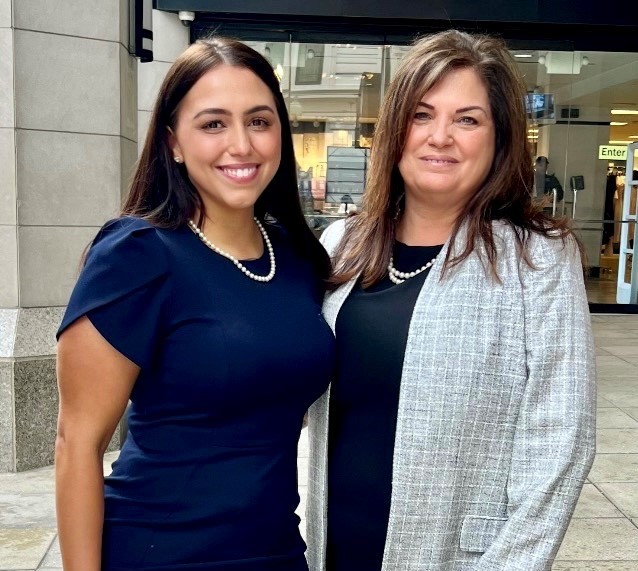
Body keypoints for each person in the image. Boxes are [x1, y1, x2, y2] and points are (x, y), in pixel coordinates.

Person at [306, 30, 596, 571]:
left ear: (499, 138)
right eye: (422, 115)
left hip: (462, 555)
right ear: (394, 131)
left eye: (468, 119)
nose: (441, 137)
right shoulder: (341, 243)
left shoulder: (537, 259)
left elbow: (561, 445)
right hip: (334, 541)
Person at [55, 37, 335, 571]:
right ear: (173, 142)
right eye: (213, 124)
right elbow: (76, 444)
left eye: (259, 121)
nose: (242, 145)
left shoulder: (298, 255)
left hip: (275, 548)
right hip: (160, 549)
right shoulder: (136, 254)